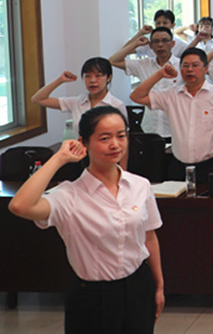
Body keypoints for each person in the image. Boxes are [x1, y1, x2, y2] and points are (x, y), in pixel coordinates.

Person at [8, 107, 164, 332]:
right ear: (84, 142)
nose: (115, 145)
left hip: (139, 286)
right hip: (93, 297)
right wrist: (59, 158)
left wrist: (159, 286)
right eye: (104, 138)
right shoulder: (68, 195)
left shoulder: (140, 185)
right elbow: (19, 206)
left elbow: (149, 237)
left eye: (121, 136)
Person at [130, 47, 213, 183]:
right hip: (179, 166)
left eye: (195, 65)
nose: (190, 70)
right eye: (185, 66)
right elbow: (136, 96)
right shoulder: (171, 95)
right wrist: (160, 74)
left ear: (206, 69)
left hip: (212, 166)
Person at [109, 26, 181, 138]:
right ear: (150, 46)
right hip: (150, 128)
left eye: (165, 40)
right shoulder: (144, 64)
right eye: (156, 41)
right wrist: (135, 44)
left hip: (176, 128)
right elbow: (112, 61)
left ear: (172, 44)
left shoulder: (182, 66)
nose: (160, 45)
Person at [31, 56, 128, 136]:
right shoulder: (77, 102)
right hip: (80, 151)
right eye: (87, 76)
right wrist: (60, 80)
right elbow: (38, 99)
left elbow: (123, 137)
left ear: (109, 78)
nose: (92, 80)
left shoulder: (116, 105)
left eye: (98, 76)